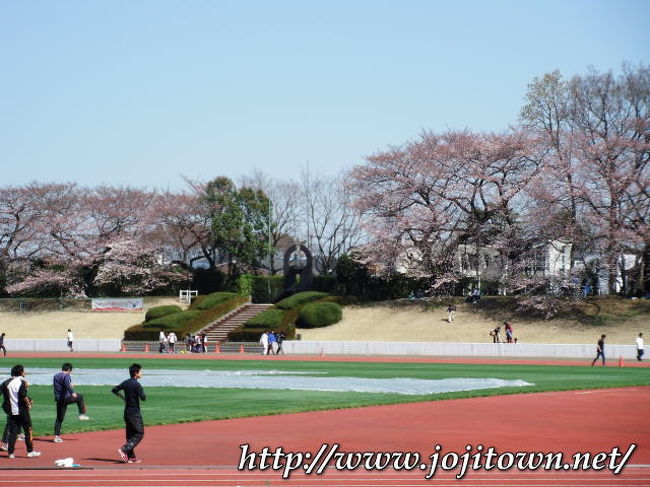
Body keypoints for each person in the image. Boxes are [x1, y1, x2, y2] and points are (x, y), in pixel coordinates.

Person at [1, 365, 41, 458]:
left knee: (12, 432)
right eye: (24, 371)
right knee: (28, 430)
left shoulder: (5, 383)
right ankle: (30, 451)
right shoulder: (22, 382)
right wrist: (29, 404)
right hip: (22, 410)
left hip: (11, 411)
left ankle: (11, 453)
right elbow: (23, 395)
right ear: (21, 372)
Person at [112, 363, 146, 464]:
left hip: (127, 411)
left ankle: (131, 457)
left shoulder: (126, 383)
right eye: (140, 371)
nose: (142, 373)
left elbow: (114, 390)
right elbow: (143, 398)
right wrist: (141, 392)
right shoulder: (137, 384)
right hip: (134, 412)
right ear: (136, 373)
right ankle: (124, 449)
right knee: (139, 433)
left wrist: (123, 398)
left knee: (130, 435)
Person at [53, 363, 89, 443]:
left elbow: (60, 386)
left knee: (59, 418)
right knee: (80, 397)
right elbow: (66, 384)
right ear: (69, 370)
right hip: (66, 398)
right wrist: (72, 391)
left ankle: (56, 437)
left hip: (59, 399)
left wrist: (69, 386)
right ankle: (82, 415)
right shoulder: (67, 375)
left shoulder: (56, 375)